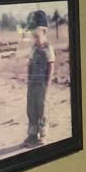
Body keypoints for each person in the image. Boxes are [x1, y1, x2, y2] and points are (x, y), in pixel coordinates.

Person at [23, 11, 56, 147]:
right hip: (32, 84)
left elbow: (51, 67)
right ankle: (32, 134)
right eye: (32, 36)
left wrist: (47, 85)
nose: (34, 38)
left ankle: (42, 134)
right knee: (31, 107)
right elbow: (29, 64)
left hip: (43, 84)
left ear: (44, 31)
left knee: (42, 107)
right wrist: (29, 79)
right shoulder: (33, 48)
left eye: (36, 35)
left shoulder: (49, 50)